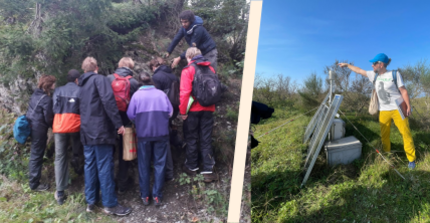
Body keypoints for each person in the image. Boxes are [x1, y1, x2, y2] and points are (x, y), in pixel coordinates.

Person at [338, 53, 416, 169]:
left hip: (397, 109)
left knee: (405, 133)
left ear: (381, 64)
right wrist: (348, 65)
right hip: (383, 111)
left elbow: (403, 91)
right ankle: (387, 157)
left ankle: (411, 160)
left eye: (374, 63)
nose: (372, 65)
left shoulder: (394, 74)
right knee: (384, 136)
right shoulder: (373, 75)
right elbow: (359, 71)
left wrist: (408, 106)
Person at [77, 57, 131, 215]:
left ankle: (91, 201)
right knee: (104, 166)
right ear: (96, 68)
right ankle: (110, 204)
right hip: (100, 131)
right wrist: (118, 124)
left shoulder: (81, 84)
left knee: (90, 165)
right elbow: (108, 101)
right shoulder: (99, 79)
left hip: (86, 131)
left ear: (84, 69)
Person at [127, 72, 173, 206]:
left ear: (140, 83)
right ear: (151, 81)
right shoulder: (161, 94)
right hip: (161, 134)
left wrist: (139, 121)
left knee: (144, 164)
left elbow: (130, 114)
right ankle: (157, 196)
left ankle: (145, 195)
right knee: (160, 164)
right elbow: (170, 113)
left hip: (143, 135)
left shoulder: (136, 96)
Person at [179, 47, 218, 182]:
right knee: (206, 138)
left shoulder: (188, 70)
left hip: (193, 110)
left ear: (189, 57)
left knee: (191, 138)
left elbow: (184, 93)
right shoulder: (211, 69)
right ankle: (208, 170)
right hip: (209, 109)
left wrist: (183, 112)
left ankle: (192, 166)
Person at [107, 57, 139, 194]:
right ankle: (122, 185)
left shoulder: (108, 79)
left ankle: (108, 184)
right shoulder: (133, 82)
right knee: (124, 152)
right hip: (126, 121)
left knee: (108, 152)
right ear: (131, 67)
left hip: (110, 122)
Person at [149, 57, 182, 181]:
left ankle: (167, 171)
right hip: (174, 108)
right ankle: (178, 142)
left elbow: (155, 96)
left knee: (163, 139)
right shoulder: (173, 76)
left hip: (162, 110)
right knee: (168, 128)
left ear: (154, 67)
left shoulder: (157, 77)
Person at [52, 69, 82, 205]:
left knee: (60, 157)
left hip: (60, 126)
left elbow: (54, 108)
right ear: (77, 80)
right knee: (78, 145)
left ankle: (60, 192)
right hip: (76, 125)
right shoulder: (81, 90)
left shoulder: (58, 90)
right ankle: (76, 161)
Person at [26, 75, 56, 191]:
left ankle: (34, 180)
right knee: (37, 155)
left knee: (35, 154)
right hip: (39, 129)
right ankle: (34, 184)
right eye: (53, 83)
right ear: (49, 85)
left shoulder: (35, 94)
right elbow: (48, 117)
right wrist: (54, 126)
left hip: (32, 126)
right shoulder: (46, 99)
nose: (55, 85)